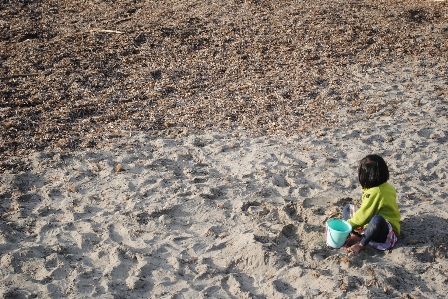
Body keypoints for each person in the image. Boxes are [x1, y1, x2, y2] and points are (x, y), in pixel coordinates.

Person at [343, 154, 401, 253]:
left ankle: (361, 244)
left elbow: (364, 216)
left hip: (385, 233)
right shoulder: (385, 186)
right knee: (348, 209)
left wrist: (346, 226)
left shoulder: (376, 192)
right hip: (371, 225)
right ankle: (356, 235)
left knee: (376, 220)